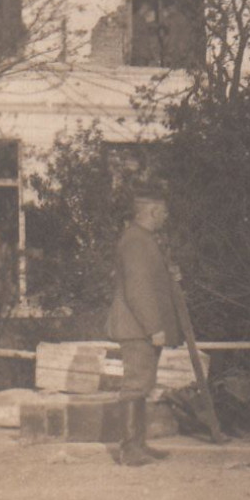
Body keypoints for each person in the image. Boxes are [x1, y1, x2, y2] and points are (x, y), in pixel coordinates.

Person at [105, 193, 184, 467]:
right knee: (135, 385)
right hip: (137, 328)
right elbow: (138, 291)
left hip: (140, 327)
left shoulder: (142, 239)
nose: (166, 217)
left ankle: (138, 444)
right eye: (163, 212)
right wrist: (154, 328)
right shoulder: (136, 241)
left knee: (143, 385)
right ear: (151, 211)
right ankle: (129, 449)